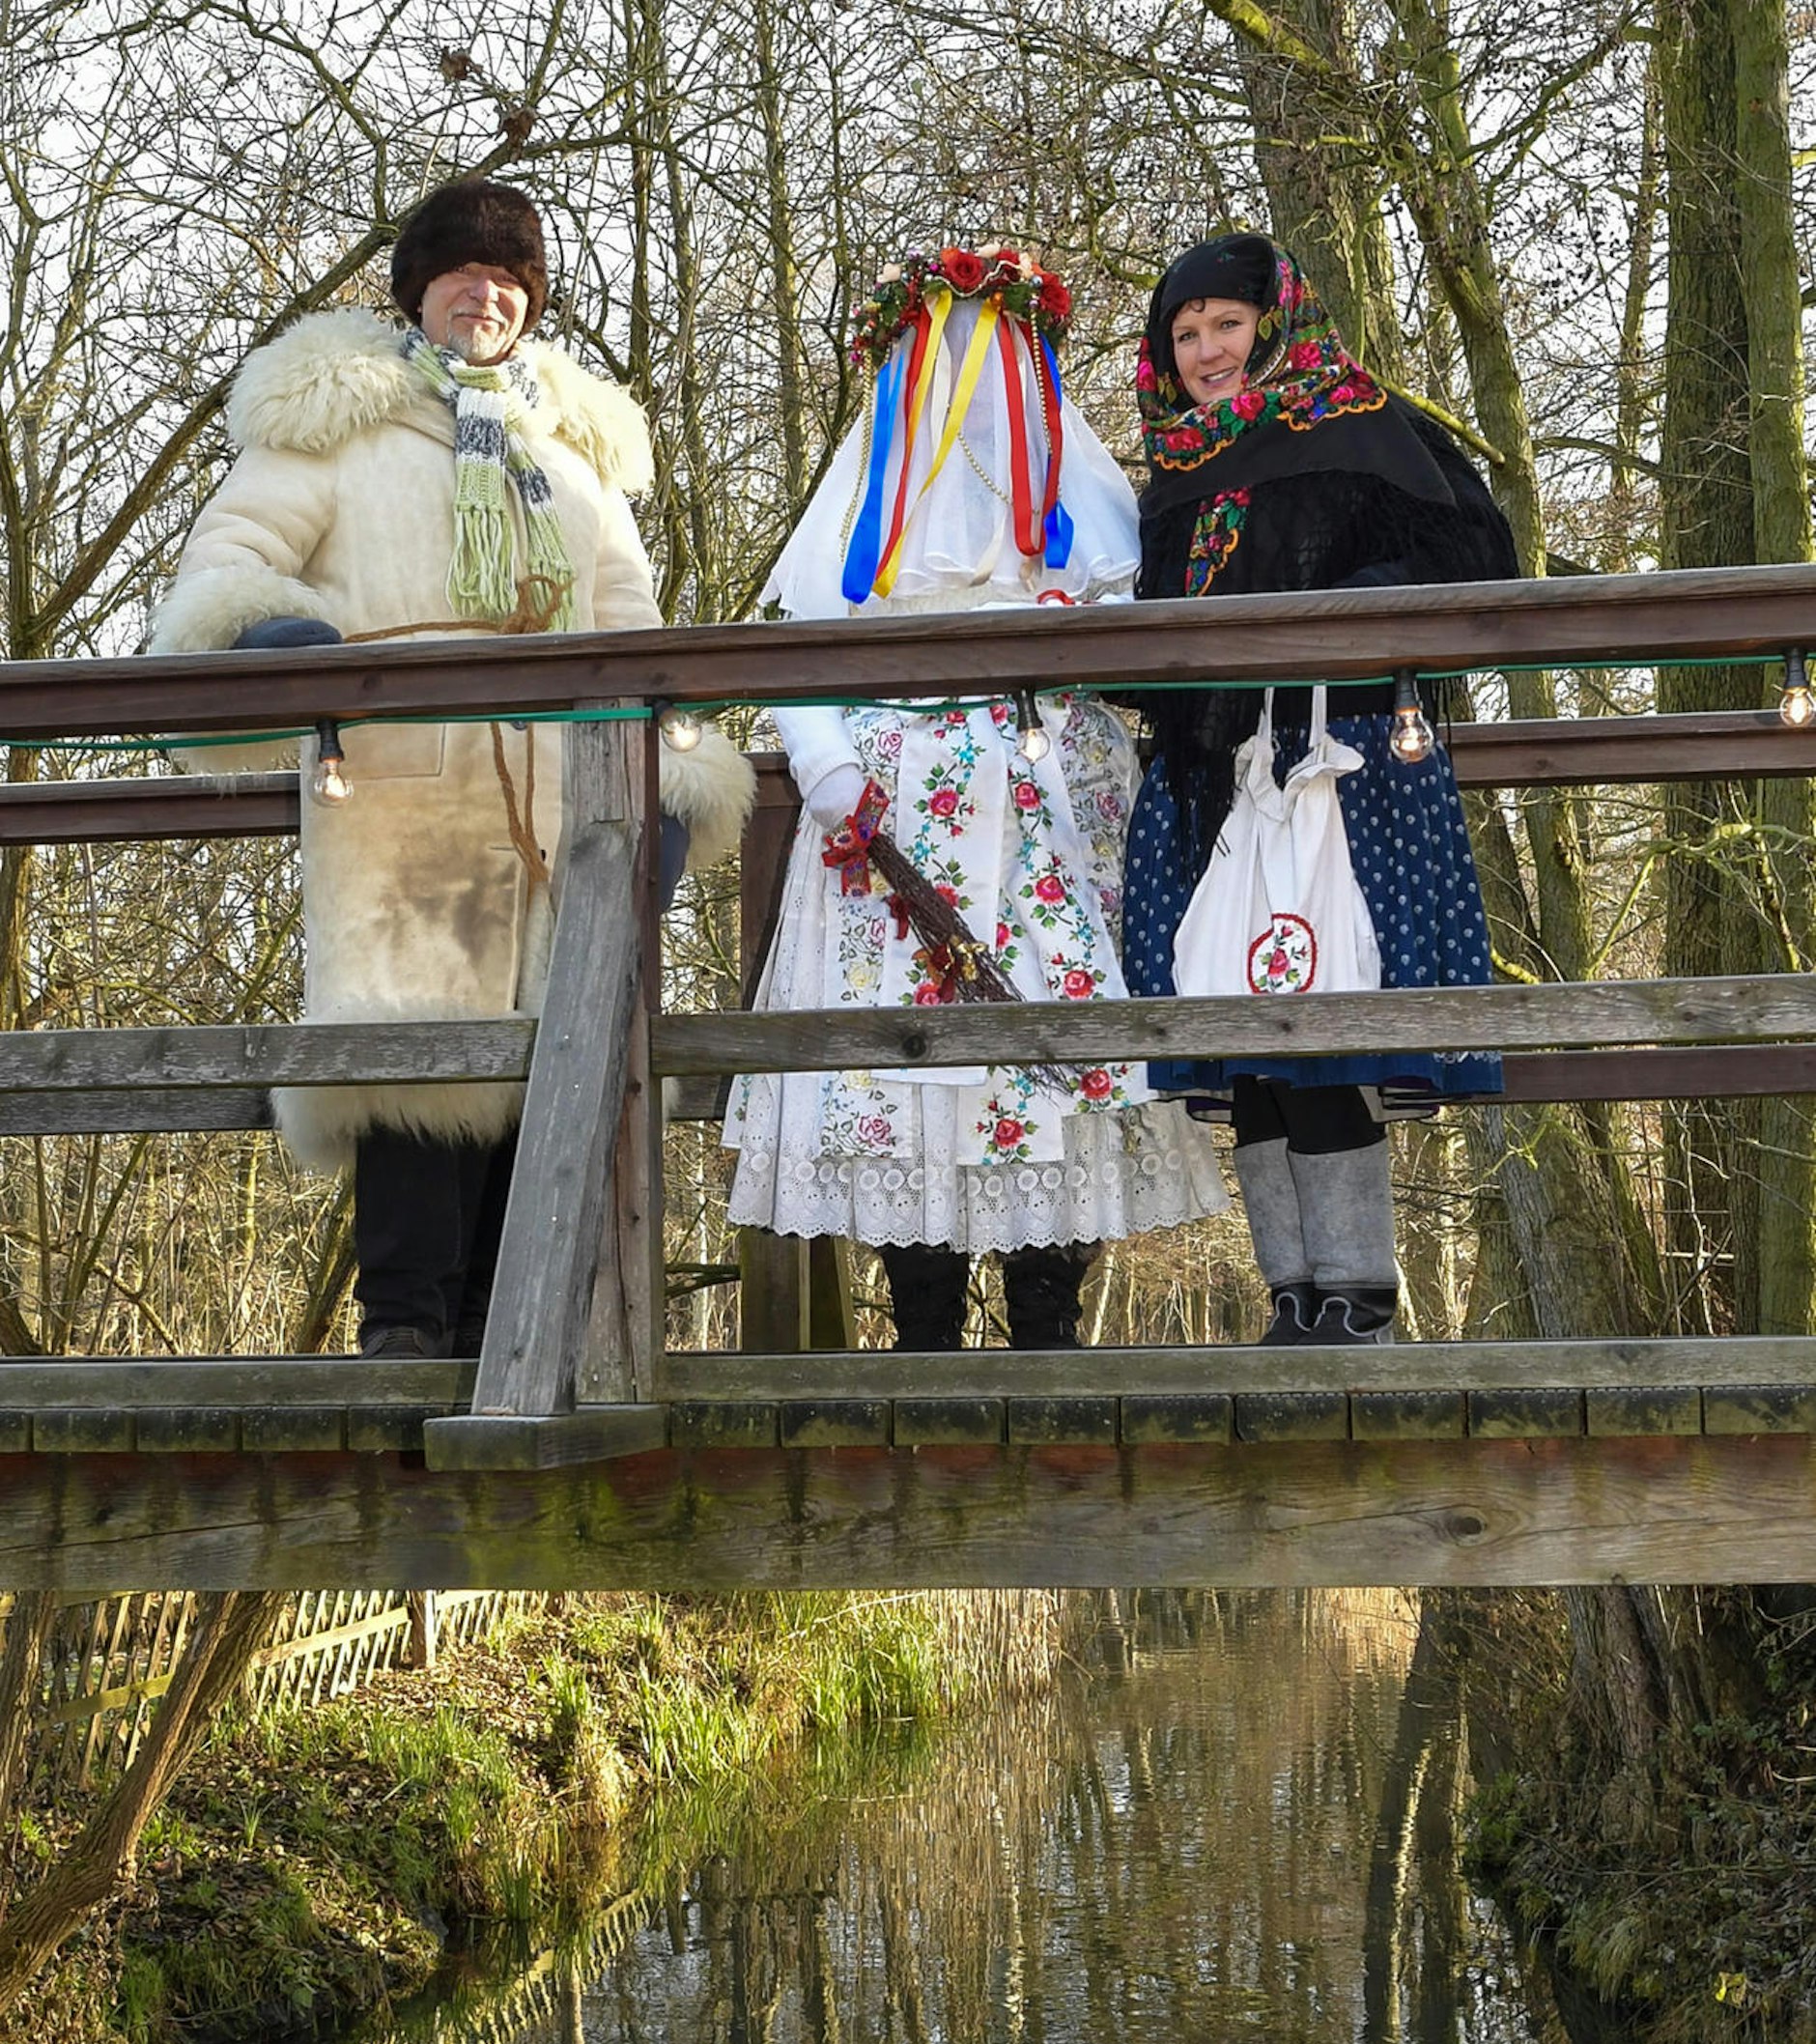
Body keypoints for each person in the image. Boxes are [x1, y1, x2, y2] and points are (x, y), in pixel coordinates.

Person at [150, 177, 752, 1356]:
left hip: (561, 785)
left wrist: (670, 767)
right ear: (417, 292)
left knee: (551, 1051)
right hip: (400, 785)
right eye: (460, 274)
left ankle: (506, 1332)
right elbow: (226, 558)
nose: (485, 295)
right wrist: (270, 630)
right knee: (408, 1051)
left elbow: (630, 622)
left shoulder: (573, 454)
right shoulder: (338, 419)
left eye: (508, 279)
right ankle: (401, 1332)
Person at [723, 242, 1225, 1350]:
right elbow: (793, 653)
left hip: (1052, 815)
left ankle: (1049, 1329)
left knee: (1060, 1055)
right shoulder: (862, 498)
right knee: (904, 1073)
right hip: (888, 822)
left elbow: (1137, 629)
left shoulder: (1075, 502)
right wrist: (828, 772)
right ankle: (923, 1336)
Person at [1121, 234, 1514, 1344]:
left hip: (1339, 763)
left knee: (1319, 1017)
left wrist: (1339, 613)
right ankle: (1291, 1295)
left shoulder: (1362, 426)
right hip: (1212, 780)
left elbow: (1475, 559)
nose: (1204, 350)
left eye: (1224, 324)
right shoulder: (1176, 473)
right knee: (1244, 1042)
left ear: (1274, 321)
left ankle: (1360, 1297)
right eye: (1183, 333)